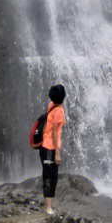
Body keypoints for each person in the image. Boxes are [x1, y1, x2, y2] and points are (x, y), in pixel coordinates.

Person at [39, 83, 66, 214]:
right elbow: (55, 132)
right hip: (50, 148)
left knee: (47, 175)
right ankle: (48, 208)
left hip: (44, 147)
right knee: (50, 177)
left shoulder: (51, 105)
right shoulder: (59, 110)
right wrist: (57, 153)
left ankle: (47, 206)